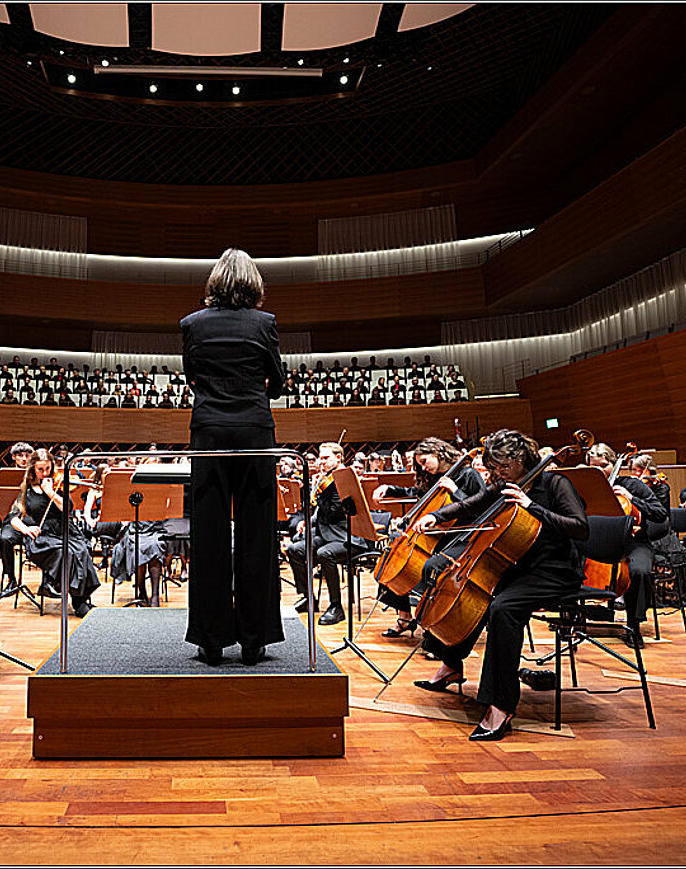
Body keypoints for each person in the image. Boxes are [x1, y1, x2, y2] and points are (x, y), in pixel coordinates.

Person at [412, 429, 589, 741]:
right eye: (493, 469)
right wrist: (436, 516)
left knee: (502, 609)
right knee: (471, 593)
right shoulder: (505, 483)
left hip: (555, 571)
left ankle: (501, 705)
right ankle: (451, 663)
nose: (497, 475)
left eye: (503, 468)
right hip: (519, 565)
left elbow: (580, 529)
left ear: (521, 460)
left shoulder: (555, 484)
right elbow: (472, 505)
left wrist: (532, 506)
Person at [181, 247, 285, 666]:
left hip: (208, 433)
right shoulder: (265, 323)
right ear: (254, 283)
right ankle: (254, 639)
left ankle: (210, 640)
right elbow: (276, 384)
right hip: (255, 434)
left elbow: (192, 378)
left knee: (208, 537)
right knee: (257, 535)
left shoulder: (191, 324)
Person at [372, 437, 485, 638]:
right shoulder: (434, 476)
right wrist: (391, 489)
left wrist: (455, 491)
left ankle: (435, 629)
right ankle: (405, 618)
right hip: (434, 535)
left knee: (430, 567)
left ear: (438, 453)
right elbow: (419, 494)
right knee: (392, 559)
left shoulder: (469, 474)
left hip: (461, 536)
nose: (423, 468)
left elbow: (481, 510)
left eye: (424, 462)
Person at [585, 443, 669, 647]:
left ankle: (634, 626)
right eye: (593, 467)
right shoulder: (587, 487)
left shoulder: (633, 485)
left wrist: (632, 499)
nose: (599, 471)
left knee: (639, 571)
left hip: (634, 542)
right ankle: (573, 618)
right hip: (596, 542)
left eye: (604, 465)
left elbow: (660, 513)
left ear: (614, 465)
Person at [285, 442, 371, 627]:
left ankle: (336, 607)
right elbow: (321, 514)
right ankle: (309, 598)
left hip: (347, 535)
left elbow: (333, 512)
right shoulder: (326, 478)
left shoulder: (345, 480)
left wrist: (315, 492)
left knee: (325, 554)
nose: (320, 462)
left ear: (338, 458)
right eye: (320, 458)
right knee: (294, 549)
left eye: (325, 458)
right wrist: (307, 522)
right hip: (326, 533)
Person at [7, 448, 99, 616]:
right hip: (41, 535)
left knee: (82, 550)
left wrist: (50, 492)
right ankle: (75, 599)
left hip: (64, 529)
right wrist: (26, 529)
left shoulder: (57, 485)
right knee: (66, 553)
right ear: (33, 468)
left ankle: (76, 596)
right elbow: (13, 517)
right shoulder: (25, 489)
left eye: (48, 469)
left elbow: (68, 508)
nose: (44, 473)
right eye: (40, 469)